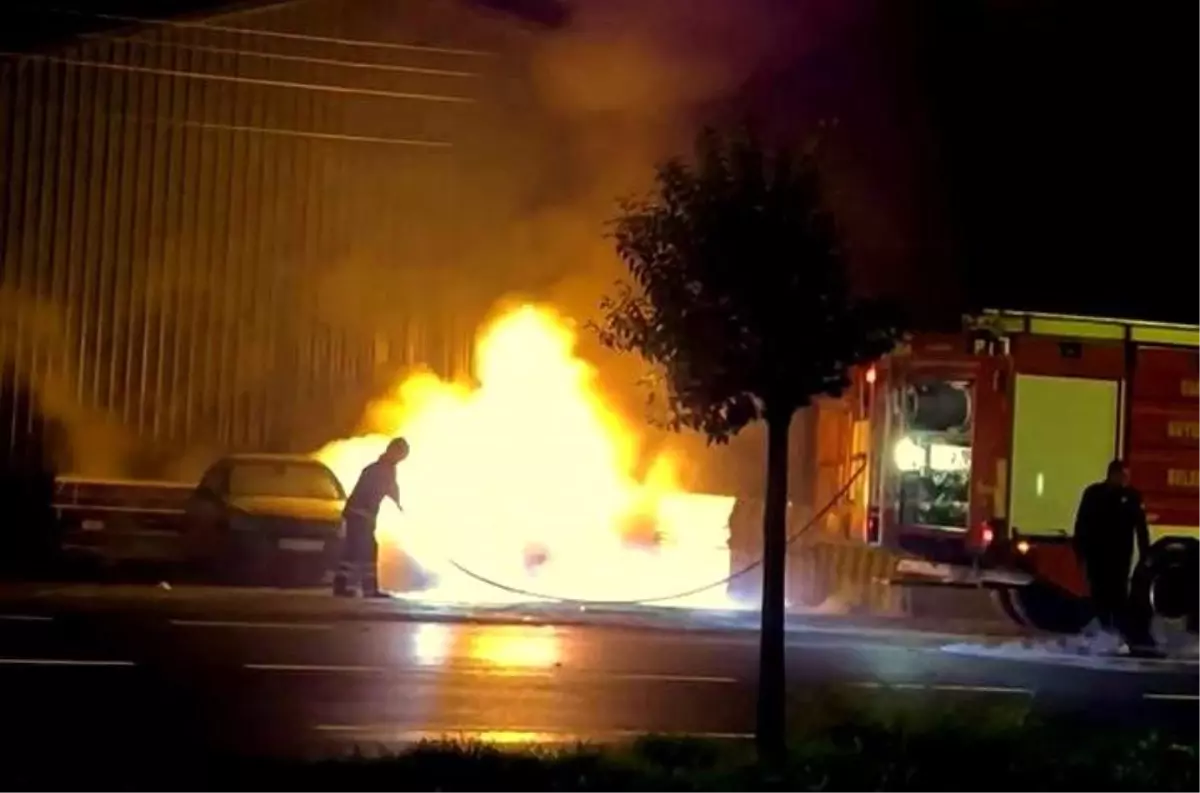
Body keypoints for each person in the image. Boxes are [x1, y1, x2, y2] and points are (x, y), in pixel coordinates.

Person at [1072, 459, 1153, 651]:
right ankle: (1101, 632)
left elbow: (1141, 529)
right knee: (1099, 594)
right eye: (1123, 476)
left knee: (1118, 596)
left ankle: (1115, 634)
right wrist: (1080, 552)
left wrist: (1145, 555)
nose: (1126, 480)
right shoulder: (1094, 494)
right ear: (1113, 474)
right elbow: (1082, 524)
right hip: (1098, 556)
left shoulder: (1132, 497)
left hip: (1120, 558)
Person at [333, 437, 408, 598]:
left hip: (360, 514)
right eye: (401, 456)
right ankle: (367, 589)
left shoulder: (383, 468)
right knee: (365, 550)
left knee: (354, 550)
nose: (401, 460)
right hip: (360, 515)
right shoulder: (381, 470)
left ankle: (344, 586)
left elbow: (391, 487)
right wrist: (398, 503)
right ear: (394, 451)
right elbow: (385, 488)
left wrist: (399, 504)